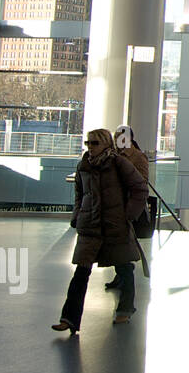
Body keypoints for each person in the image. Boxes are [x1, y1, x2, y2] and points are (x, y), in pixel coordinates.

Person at [52, 128, 150, 334]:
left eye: (95, 143)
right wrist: (77, 216)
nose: (90, 147)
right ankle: (69, 318)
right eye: (88, 143)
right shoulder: (84, 166)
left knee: (124, 267)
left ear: (105, 144)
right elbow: (79, 193)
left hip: (115, 225)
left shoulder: (119, 163)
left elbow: (140, 188)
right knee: (81, 271)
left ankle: (125, 308)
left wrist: (128, 214)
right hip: (90, 226)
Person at [106, 125, 149, 291]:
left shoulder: (138, 157)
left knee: (123, 243)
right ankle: (121, 274)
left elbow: (142, 182)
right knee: (118, 245)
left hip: (127, 207)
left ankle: (124, 275)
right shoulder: (113, 155)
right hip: (115, 206)